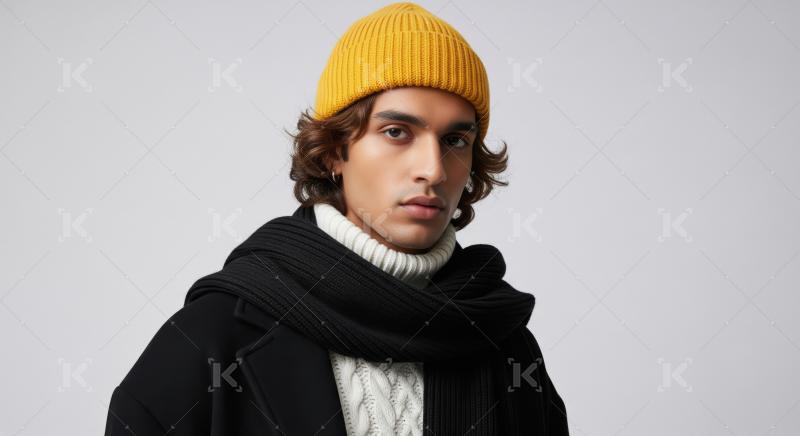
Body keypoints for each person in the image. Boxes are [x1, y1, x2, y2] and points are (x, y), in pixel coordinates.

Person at [104, 2, 569, 435]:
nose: (432, 168)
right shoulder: (211, 338)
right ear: (333, 152)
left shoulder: (506, 347)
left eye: (455, 141)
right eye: (396, 132)